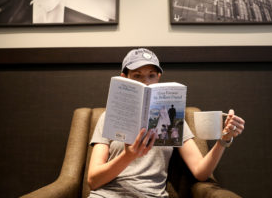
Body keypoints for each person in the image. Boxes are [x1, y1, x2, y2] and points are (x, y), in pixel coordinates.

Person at [87, 48, 245, 197]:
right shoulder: (110, 116)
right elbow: (93, 181)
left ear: (158, 78)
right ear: (124, 78)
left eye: (151, 75)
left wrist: (223, 140)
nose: (146, 82)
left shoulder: (173, 117)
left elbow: (200, 172)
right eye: (137, 76)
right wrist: (128, 156)